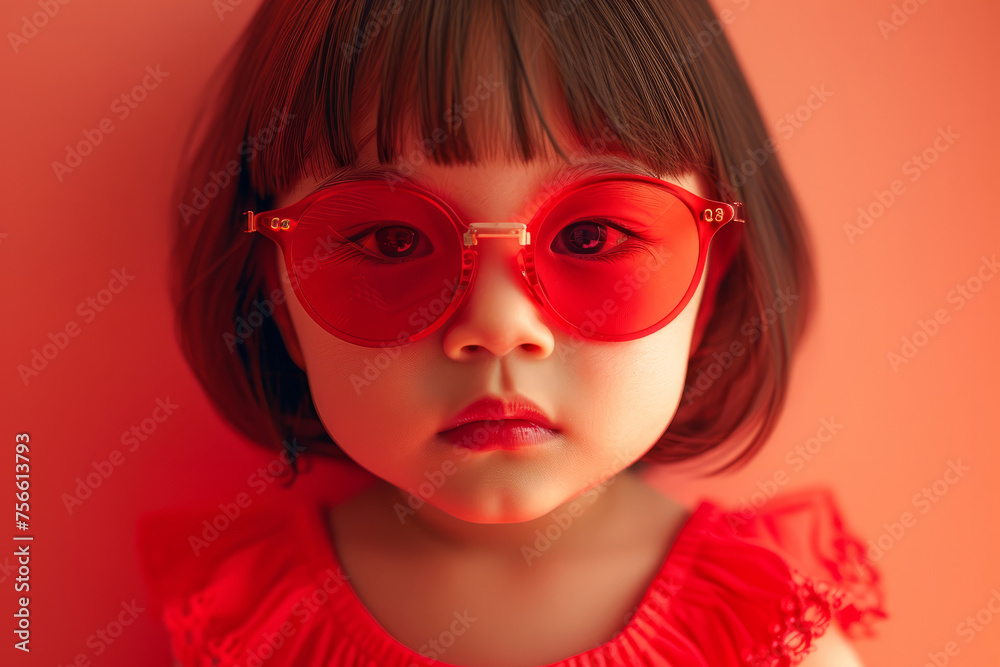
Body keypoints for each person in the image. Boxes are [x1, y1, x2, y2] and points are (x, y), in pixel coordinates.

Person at [137, 1, 888, 665]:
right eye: (394, 241)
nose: (497, 328)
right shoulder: (248, 626)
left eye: (591, 237)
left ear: (710, 280)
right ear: (280, 292)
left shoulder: (767, 630)